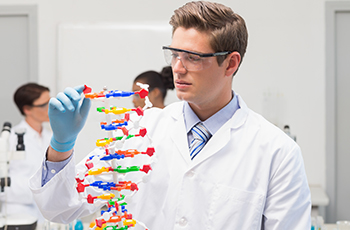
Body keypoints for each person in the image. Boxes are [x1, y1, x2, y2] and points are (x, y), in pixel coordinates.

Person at [29, 1, 311, 229]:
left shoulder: (277, 151)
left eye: (193, 57)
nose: (178, 67)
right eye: (174, 54)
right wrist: (61, 147)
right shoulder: (137, 133)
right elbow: (61, 207)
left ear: (230, 63)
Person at [1, 83, 51, 223]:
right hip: (18, 214)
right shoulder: (9, 139)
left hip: (46, 213)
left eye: (50, 102)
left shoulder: (51, 138)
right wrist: (36, 191)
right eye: (44, 105)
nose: (50, 109)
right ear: (27, 109)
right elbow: (2, 183)